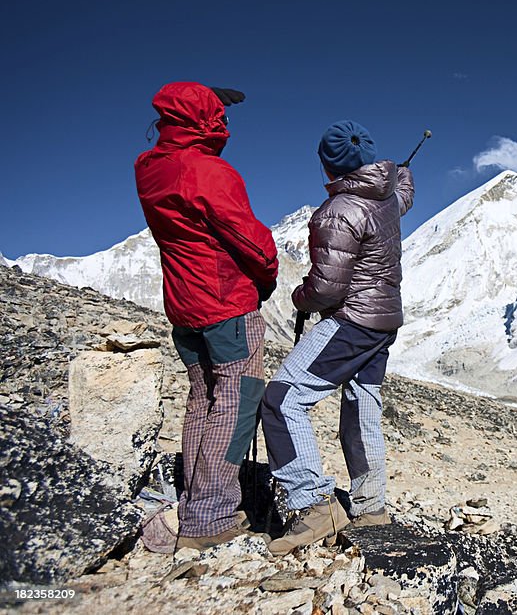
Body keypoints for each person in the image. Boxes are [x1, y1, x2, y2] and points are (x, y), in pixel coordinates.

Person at [135, 82, 279, 550]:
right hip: (225, 301)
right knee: (239, 401)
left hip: (184, 303)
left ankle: (195, 500)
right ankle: (211, 515)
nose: (227, 124)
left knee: (203, 400)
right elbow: (249, 238)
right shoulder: (207, 171)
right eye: (221, 116)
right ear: (208, 122)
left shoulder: (151, 168)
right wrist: (269, 273)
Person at [260, 120, 413, 556]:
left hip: (351, 321)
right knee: (362, 401)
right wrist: (401, 172)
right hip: (384, 322)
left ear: (327, 164)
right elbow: (405, 191)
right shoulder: (387, 199)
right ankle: (370, 506)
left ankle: (312, 505)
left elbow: (327, 289)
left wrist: (299, 297)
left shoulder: (339, 211)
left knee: (283, 397)